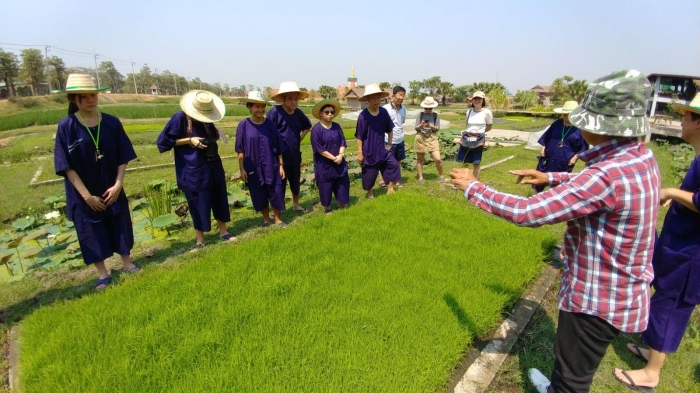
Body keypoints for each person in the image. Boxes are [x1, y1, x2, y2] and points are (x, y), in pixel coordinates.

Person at [450, 70, 660, 393]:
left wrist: (473, 187)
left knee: (573, 382)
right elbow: (595, 188)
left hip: (596, 301)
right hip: (620, 292)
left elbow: (527, 212)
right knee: (570, 367)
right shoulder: (639, 158)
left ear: (604, 127)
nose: (580, 127)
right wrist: (551, 178)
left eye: (586, 122)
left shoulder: (607, 175)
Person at [613, 93, 700, 392]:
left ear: (699, 123)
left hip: (690, 254)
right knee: (662, 296)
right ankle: (653, 351)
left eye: (686, 117)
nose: (681, 122)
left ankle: (652, 373)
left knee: (670, 305)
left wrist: (672, 193)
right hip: (680, 244)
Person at [53, 74, 140, 289]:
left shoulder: (111, 122)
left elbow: (123, 155)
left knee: (120, 223)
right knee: (91, 231)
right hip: (84, 193)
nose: (91, 100)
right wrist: (86, 196)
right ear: (74, 99)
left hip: (112, 186)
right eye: (84, 97)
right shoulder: (67, 126)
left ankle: (127, 262)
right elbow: (66, 166)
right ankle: (102, 273)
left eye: (93, 95)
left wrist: (118, 184)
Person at [157, 90, 236, 251]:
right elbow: (162, 143)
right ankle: (200, 240)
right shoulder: (180, 118)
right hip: (193, 169)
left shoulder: (207, 119)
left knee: (219, 197)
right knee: (197, 202)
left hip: (213, 165)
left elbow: (209, 134)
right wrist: (189, 140)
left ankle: (223, 232)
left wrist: (217, 131)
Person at [236, 91, 287, 227]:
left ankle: (277, 219)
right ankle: (266, 219)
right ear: (250, 107)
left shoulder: (270, 124)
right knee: (259, 191)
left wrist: (281, 165)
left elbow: (278, 146)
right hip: (253, 165)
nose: (260, 109)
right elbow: (240, 150)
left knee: (276, 190)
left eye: (262, 106)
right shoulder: (243, 125)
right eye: (257, 106)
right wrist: (241, 169)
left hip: (272, 163)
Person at [267, 81, 312, 213]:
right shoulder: (274, 113)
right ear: (283, 99)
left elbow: (307, 126)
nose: (293, 102)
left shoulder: (298, 113)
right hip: (278, 156)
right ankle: (278, 208)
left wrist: (299, 138)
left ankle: (296, 204)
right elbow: (268, 133)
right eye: (290, 99)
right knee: (279, 182)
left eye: (296, 99)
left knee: (295, 181)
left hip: (294, 154)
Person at [355, 83, 402, 199]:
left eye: (378, 98)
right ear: (368, 100)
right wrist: (360, 153)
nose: (376, 100)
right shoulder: (363, 116)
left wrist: (389, 143)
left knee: (393, 165)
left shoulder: (383, 112)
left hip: (382, 148)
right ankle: (370, 193)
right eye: (373, 98)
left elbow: (390, 129)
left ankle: (390, 189)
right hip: (369, 150)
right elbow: (359, 137)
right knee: (369, 175)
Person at [533, 101, 588, 192]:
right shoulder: (557, 123)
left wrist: (575, 157)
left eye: (567, 114)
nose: (564, 116)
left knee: (559, 181)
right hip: (548, 156)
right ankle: (536, 194)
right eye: (564, 114)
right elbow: (547, 136)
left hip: (565, 159)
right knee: (540, 176)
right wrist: (543, 148)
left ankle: (555, 199)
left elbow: (582, 147)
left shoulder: (580, 129)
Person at [310, 99, 349, 214]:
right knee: (325, 186)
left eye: (332, 112)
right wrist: (333, 158)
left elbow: (343, 141)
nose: (330, 114)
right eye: (327, 112)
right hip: (324, 164)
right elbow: (319, 149)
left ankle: (343, 203)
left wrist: (340, 155)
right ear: (321, 113)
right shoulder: (316, 130)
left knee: (342, 183)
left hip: (339, 161)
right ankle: (327, 207)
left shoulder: (337, 126)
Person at [456, 91, 492, 179]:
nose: (477, 101)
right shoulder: (469, 112)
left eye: (479, 99)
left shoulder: (487, 112)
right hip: (467, 138)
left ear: (483, 100)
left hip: (478, 139)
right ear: (472, 100)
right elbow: (468, 125)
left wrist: (479, 133)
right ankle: (464, 179)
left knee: (476, 162)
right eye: (475, 99)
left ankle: (474, 182)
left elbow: (489, 126)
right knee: (465, 161)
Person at [379, 86, 407, 188]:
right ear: (393, 95)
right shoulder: (385, 109)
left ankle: (397, 180)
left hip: (400, 139)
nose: (401, 97)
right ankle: (382, 181)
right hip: (387, 140)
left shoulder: (403, 108)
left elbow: (401, 122)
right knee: (385, 161)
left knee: (398, 161)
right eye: (400, 95)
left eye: (403, 95)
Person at [414, 96, 444, 184]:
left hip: (432, 137)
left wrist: (432, 126)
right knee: (420, 159)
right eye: (426, 108)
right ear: (424, 107)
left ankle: (441, 175)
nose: (428, 110)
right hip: (420, 137)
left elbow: (437, 128)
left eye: (430, 108)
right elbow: (416, 128)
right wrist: (422, 125)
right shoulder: (420, 115)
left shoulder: (435, 115)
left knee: (437, 159)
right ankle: (420, 177)